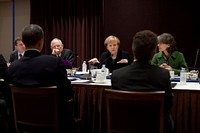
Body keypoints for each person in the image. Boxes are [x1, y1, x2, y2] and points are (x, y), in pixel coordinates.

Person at [6, 24, 74, 133]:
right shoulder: (53, 63)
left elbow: (8, 99)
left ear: (23, 42)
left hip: (21, 123)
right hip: (53, 122)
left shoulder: (12, 68)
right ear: (41, 42)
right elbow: (68, 92)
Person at [111, 30, 174, 133]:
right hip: (154, 128)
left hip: (125, 127)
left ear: (133, 49)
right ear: (154, 52)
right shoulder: (163, 75)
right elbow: (168, 104)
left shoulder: (117, 75)